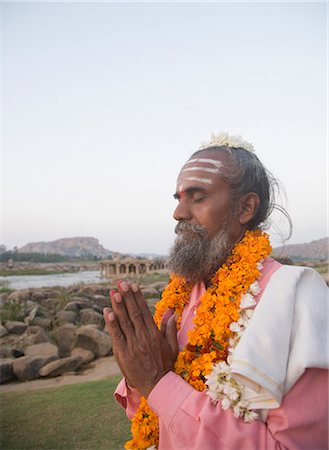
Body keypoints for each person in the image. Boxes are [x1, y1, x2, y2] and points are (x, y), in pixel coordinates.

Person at [103, 132, 328, 450]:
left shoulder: (295, 296)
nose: (178, 214)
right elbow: (148, 420)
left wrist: (159, 382)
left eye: (197, 197)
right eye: (179, 198)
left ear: (245, 207)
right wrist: (139, 373)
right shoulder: (180, 299)